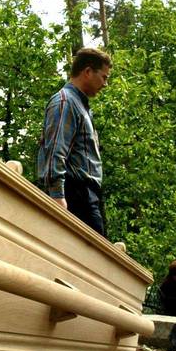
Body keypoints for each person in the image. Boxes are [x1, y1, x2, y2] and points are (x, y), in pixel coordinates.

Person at [36, 48, 111, 236]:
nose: (105, 84)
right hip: (74, 194)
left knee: (96, 258)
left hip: (87, 195)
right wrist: (57, 196)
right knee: (90, 258)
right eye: (104, 77)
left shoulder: (81, 105)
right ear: (87, 72)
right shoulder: (65, 102)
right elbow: (55, 151)